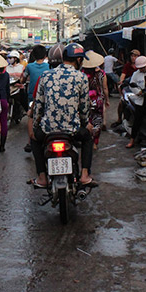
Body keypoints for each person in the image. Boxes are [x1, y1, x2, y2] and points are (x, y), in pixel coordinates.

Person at [30, 43, 96, 188]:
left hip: (48, 130)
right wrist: (86, 124)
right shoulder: (81, 77)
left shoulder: (46, 75)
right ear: (78, 60)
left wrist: (35, 128)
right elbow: (84, 107)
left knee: (34, 140)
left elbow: (38, 106)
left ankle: (41, 177)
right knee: (88, 138)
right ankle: (84, 175)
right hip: (72, 131)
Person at [82, 51, 109, 149]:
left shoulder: (82, 74)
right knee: (97, 120)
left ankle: (88, 140)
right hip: (98, 100)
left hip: (85, 100)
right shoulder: (102, 73)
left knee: (87, 120)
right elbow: (105, 88)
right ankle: (94, 142)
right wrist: (107, 100)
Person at [112, 49, 141, 129]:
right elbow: (123, 75)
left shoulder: (141, 66)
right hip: (129, 87)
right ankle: (119, 119)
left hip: (140, 87)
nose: (133, 58)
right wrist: (121, 81)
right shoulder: (127, 66)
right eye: (132, 56)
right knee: (122, 102)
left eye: (135, 56)